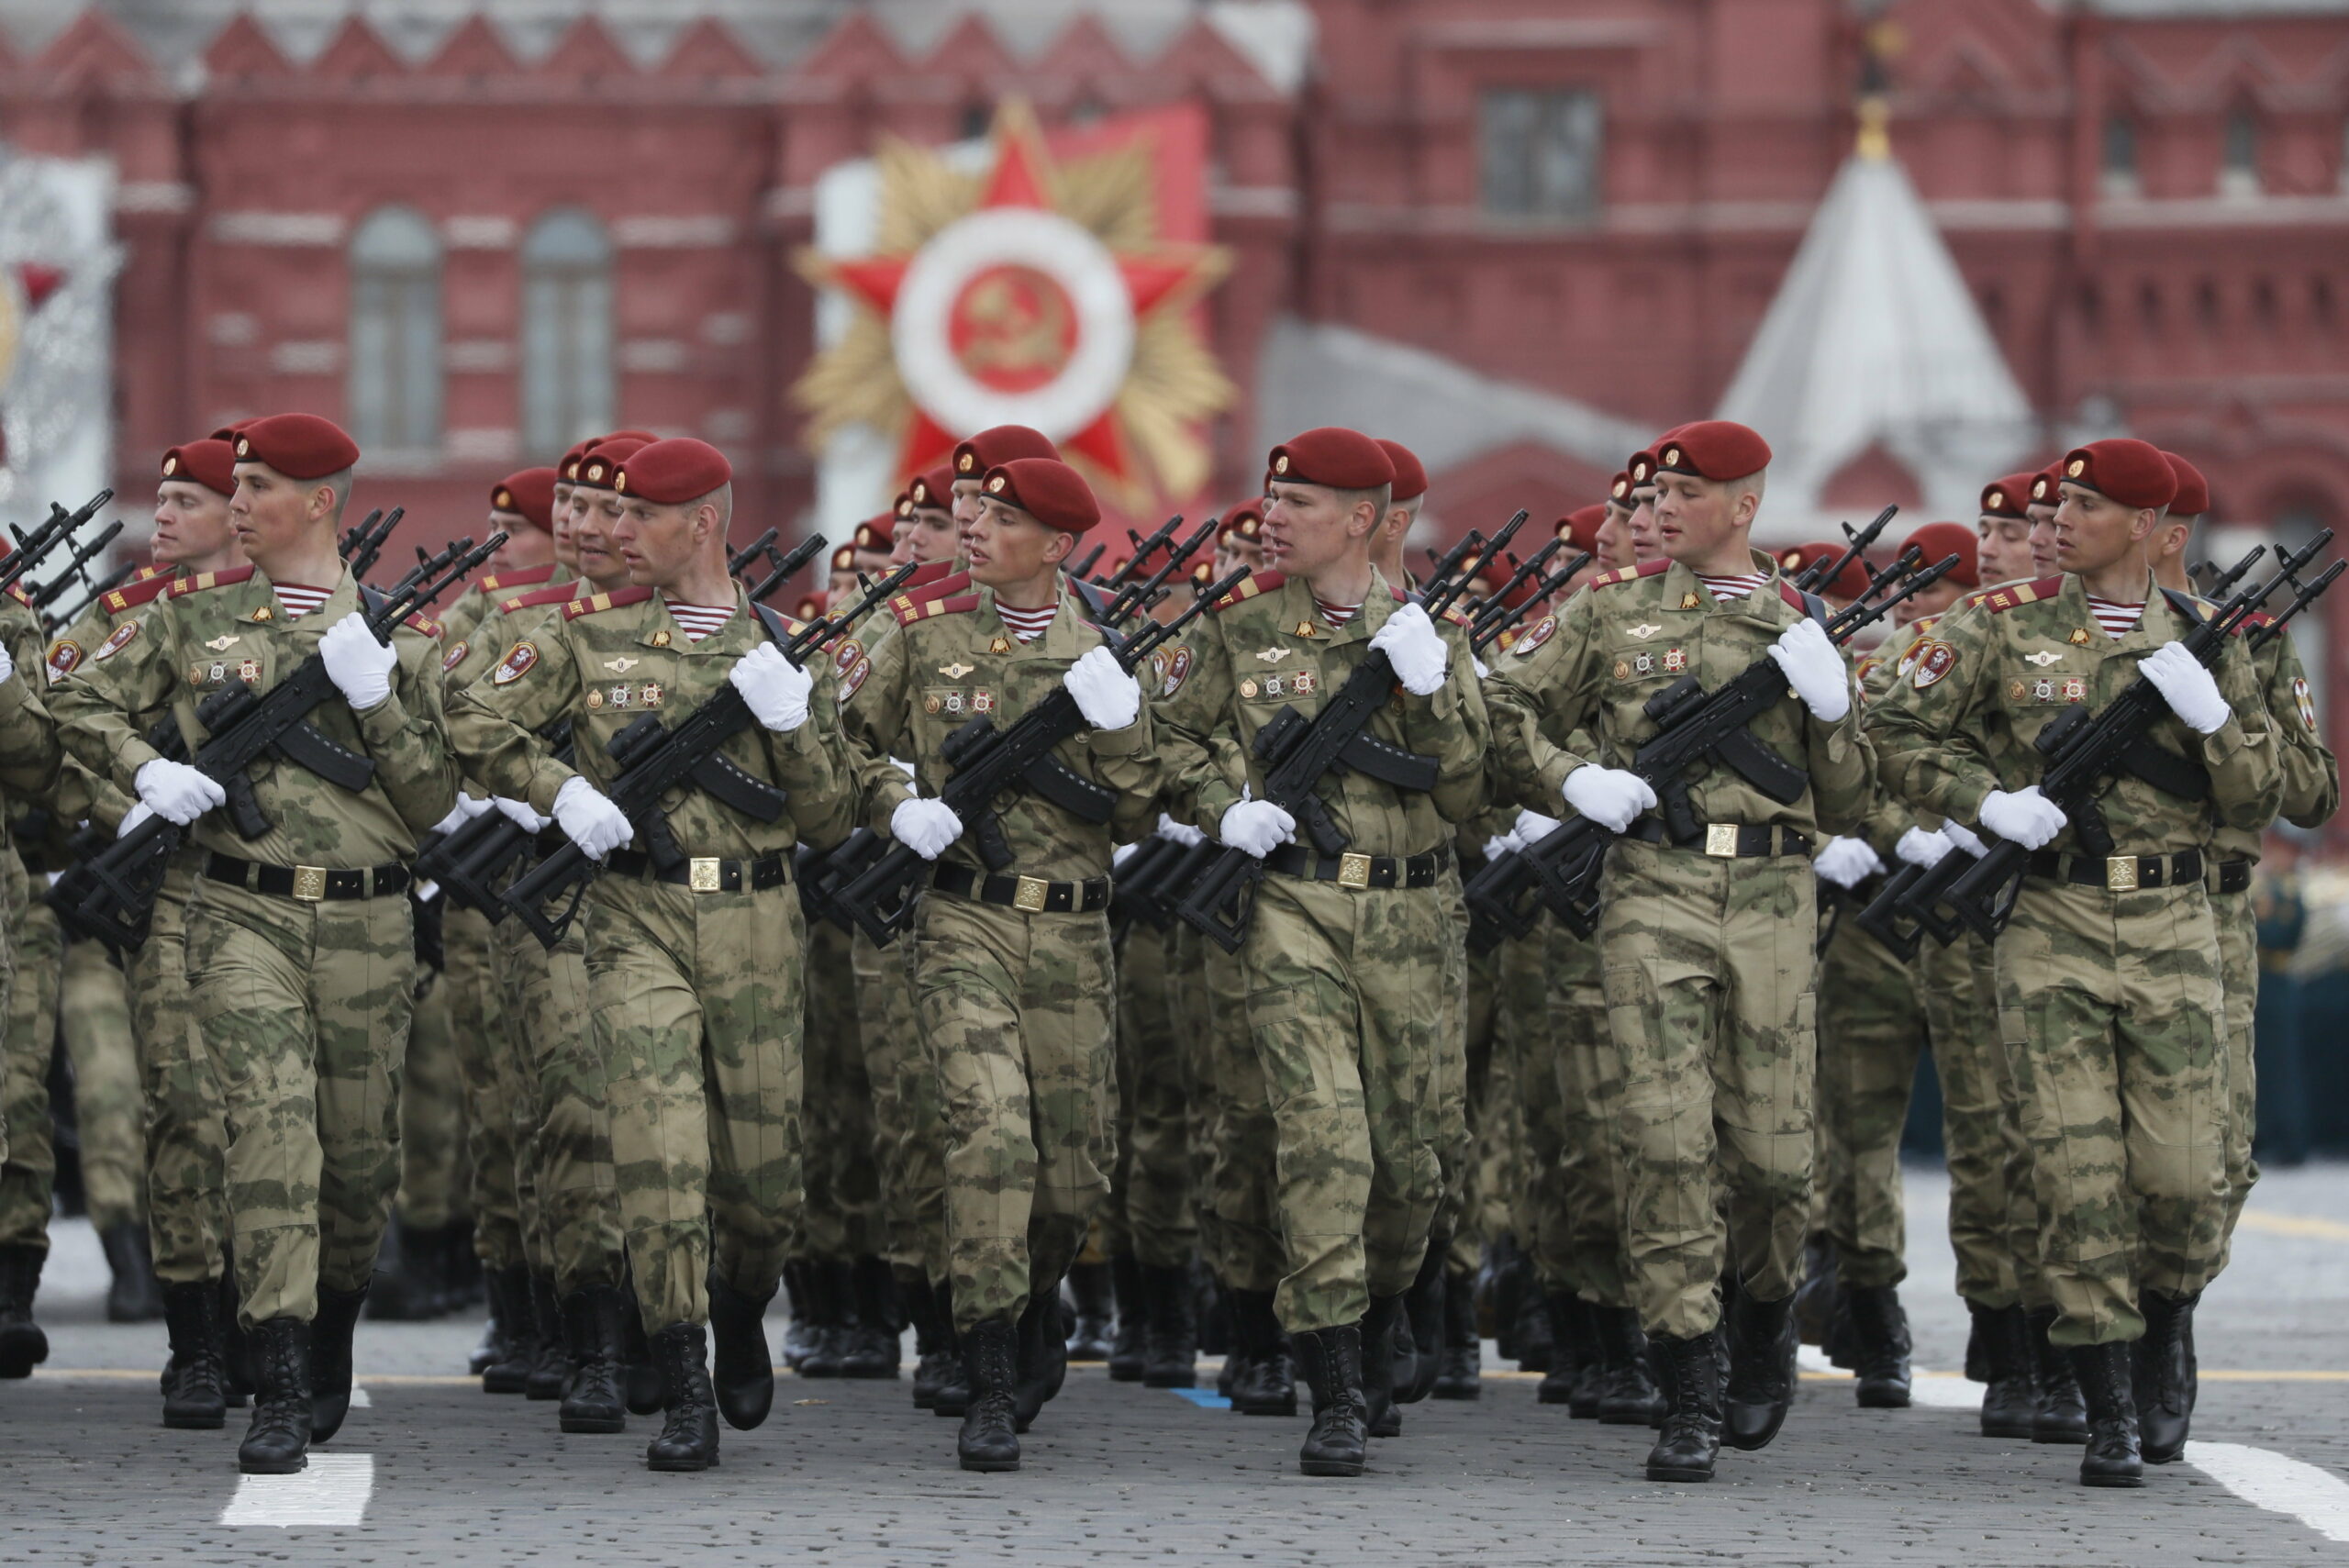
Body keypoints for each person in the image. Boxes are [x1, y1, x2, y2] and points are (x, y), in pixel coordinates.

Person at [1872, 438, 2281, 1487]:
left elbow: (2261, 796)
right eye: (2055, 504)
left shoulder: (2205, 641)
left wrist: (2214, 719)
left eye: (2086, 506)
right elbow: (1892, 728)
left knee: (2189, 1174)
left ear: (2149, 528)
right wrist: (1981, 799)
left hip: (2176, 920)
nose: (2057, 520)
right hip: (2050, 916)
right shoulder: (1993, 626)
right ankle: (2104, 1396)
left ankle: (2169, 1317)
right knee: (2070, 1165)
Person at [53, 412, 457, 1474]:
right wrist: (145, 768)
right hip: (238, 911)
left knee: (359, 1162)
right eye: (233, 484)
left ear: (321, 501)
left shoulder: (399, 639)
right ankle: (274, 1377)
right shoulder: (191, 619)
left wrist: (376, 697)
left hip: (369, 919)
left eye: (258, 485)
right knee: (270, 1133)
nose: (236, 503)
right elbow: (77, 698)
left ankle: (327, 1328)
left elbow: (431, 799)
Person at [449, 437, 854, 1473]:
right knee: (658, 1153)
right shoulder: (581, 635)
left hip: (760, 923)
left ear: (703, 523)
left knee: (765, 1187)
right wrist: (559, 791)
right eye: (610, 516)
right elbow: (467, 713)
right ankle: (681, 1383)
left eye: (638, 519)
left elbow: (827, 815)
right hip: (634, 919)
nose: (613, 535)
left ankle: (740, 1301)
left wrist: (795, 720)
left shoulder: (776, 646)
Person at [1486, 420, 1871, 1484]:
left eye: (1684, 492)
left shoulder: (1801, 619)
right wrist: (1570, 778)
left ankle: (1759, 1318)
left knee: (1776, 1162)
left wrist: (1834, 706)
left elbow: (1851, 796)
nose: (1658, 508)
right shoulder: (1606, 611)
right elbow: (1501, 706)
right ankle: (1689, 1373)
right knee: (1660, 1139)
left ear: (1741, 506)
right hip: (1652, 885)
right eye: (1653, 491)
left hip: (1773, 895)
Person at [1156, 427, 1489, 1478]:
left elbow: (1467, 786)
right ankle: (1333, 1378)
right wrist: (1224, 806)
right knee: (1323, 1140)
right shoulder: (1238, 626)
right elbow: (1162, 739)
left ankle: (1386, 1302)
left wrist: (1434, 688)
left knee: (1408, 1164)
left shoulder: (1427, 634)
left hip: (1410, 919)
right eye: (1270, 494)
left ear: (1361, 518)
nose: (1272, 513)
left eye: (1297, 501)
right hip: (1292, 908)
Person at [843, 454, 1157, 1472]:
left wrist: (1122, 726)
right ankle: (981, 1369)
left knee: (1070, 1173)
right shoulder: (926, 635)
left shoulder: (1102, 651)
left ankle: (1031, 1308)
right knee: (987, 1137)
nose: (974, 528)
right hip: (963, 922)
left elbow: (1147, 801)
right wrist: (899, 802)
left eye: (1005, 519)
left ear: (1058, 546)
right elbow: (839, 747)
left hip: (1072, 933)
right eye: (976, 515)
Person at [42, 439, 251, 1425]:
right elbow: (57, 717)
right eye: (160, 497)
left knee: (268, 1117)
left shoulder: (293, 616)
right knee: (180, 1109)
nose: (161, 515)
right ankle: (197, 1335)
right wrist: (123, 794)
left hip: (270, 893)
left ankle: (271, 1316)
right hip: (164, 897)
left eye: (187, 500)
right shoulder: (126, 619)